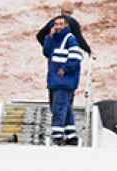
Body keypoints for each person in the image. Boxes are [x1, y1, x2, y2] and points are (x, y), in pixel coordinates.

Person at [44, 16, 83, 146]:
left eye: (61, 24)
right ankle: (71, 135)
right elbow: (46, 52)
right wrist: (49, 37)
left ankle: (57, 135)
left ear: (66, 25)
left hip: (63, 80)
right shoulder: (56, 39)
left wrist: (65, 69)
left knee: (58, 107)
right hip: (57, 80)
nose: (58, 26)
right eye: (56, 24)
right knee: (66, 107)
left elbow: (77, 56)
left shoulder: (70, 38)